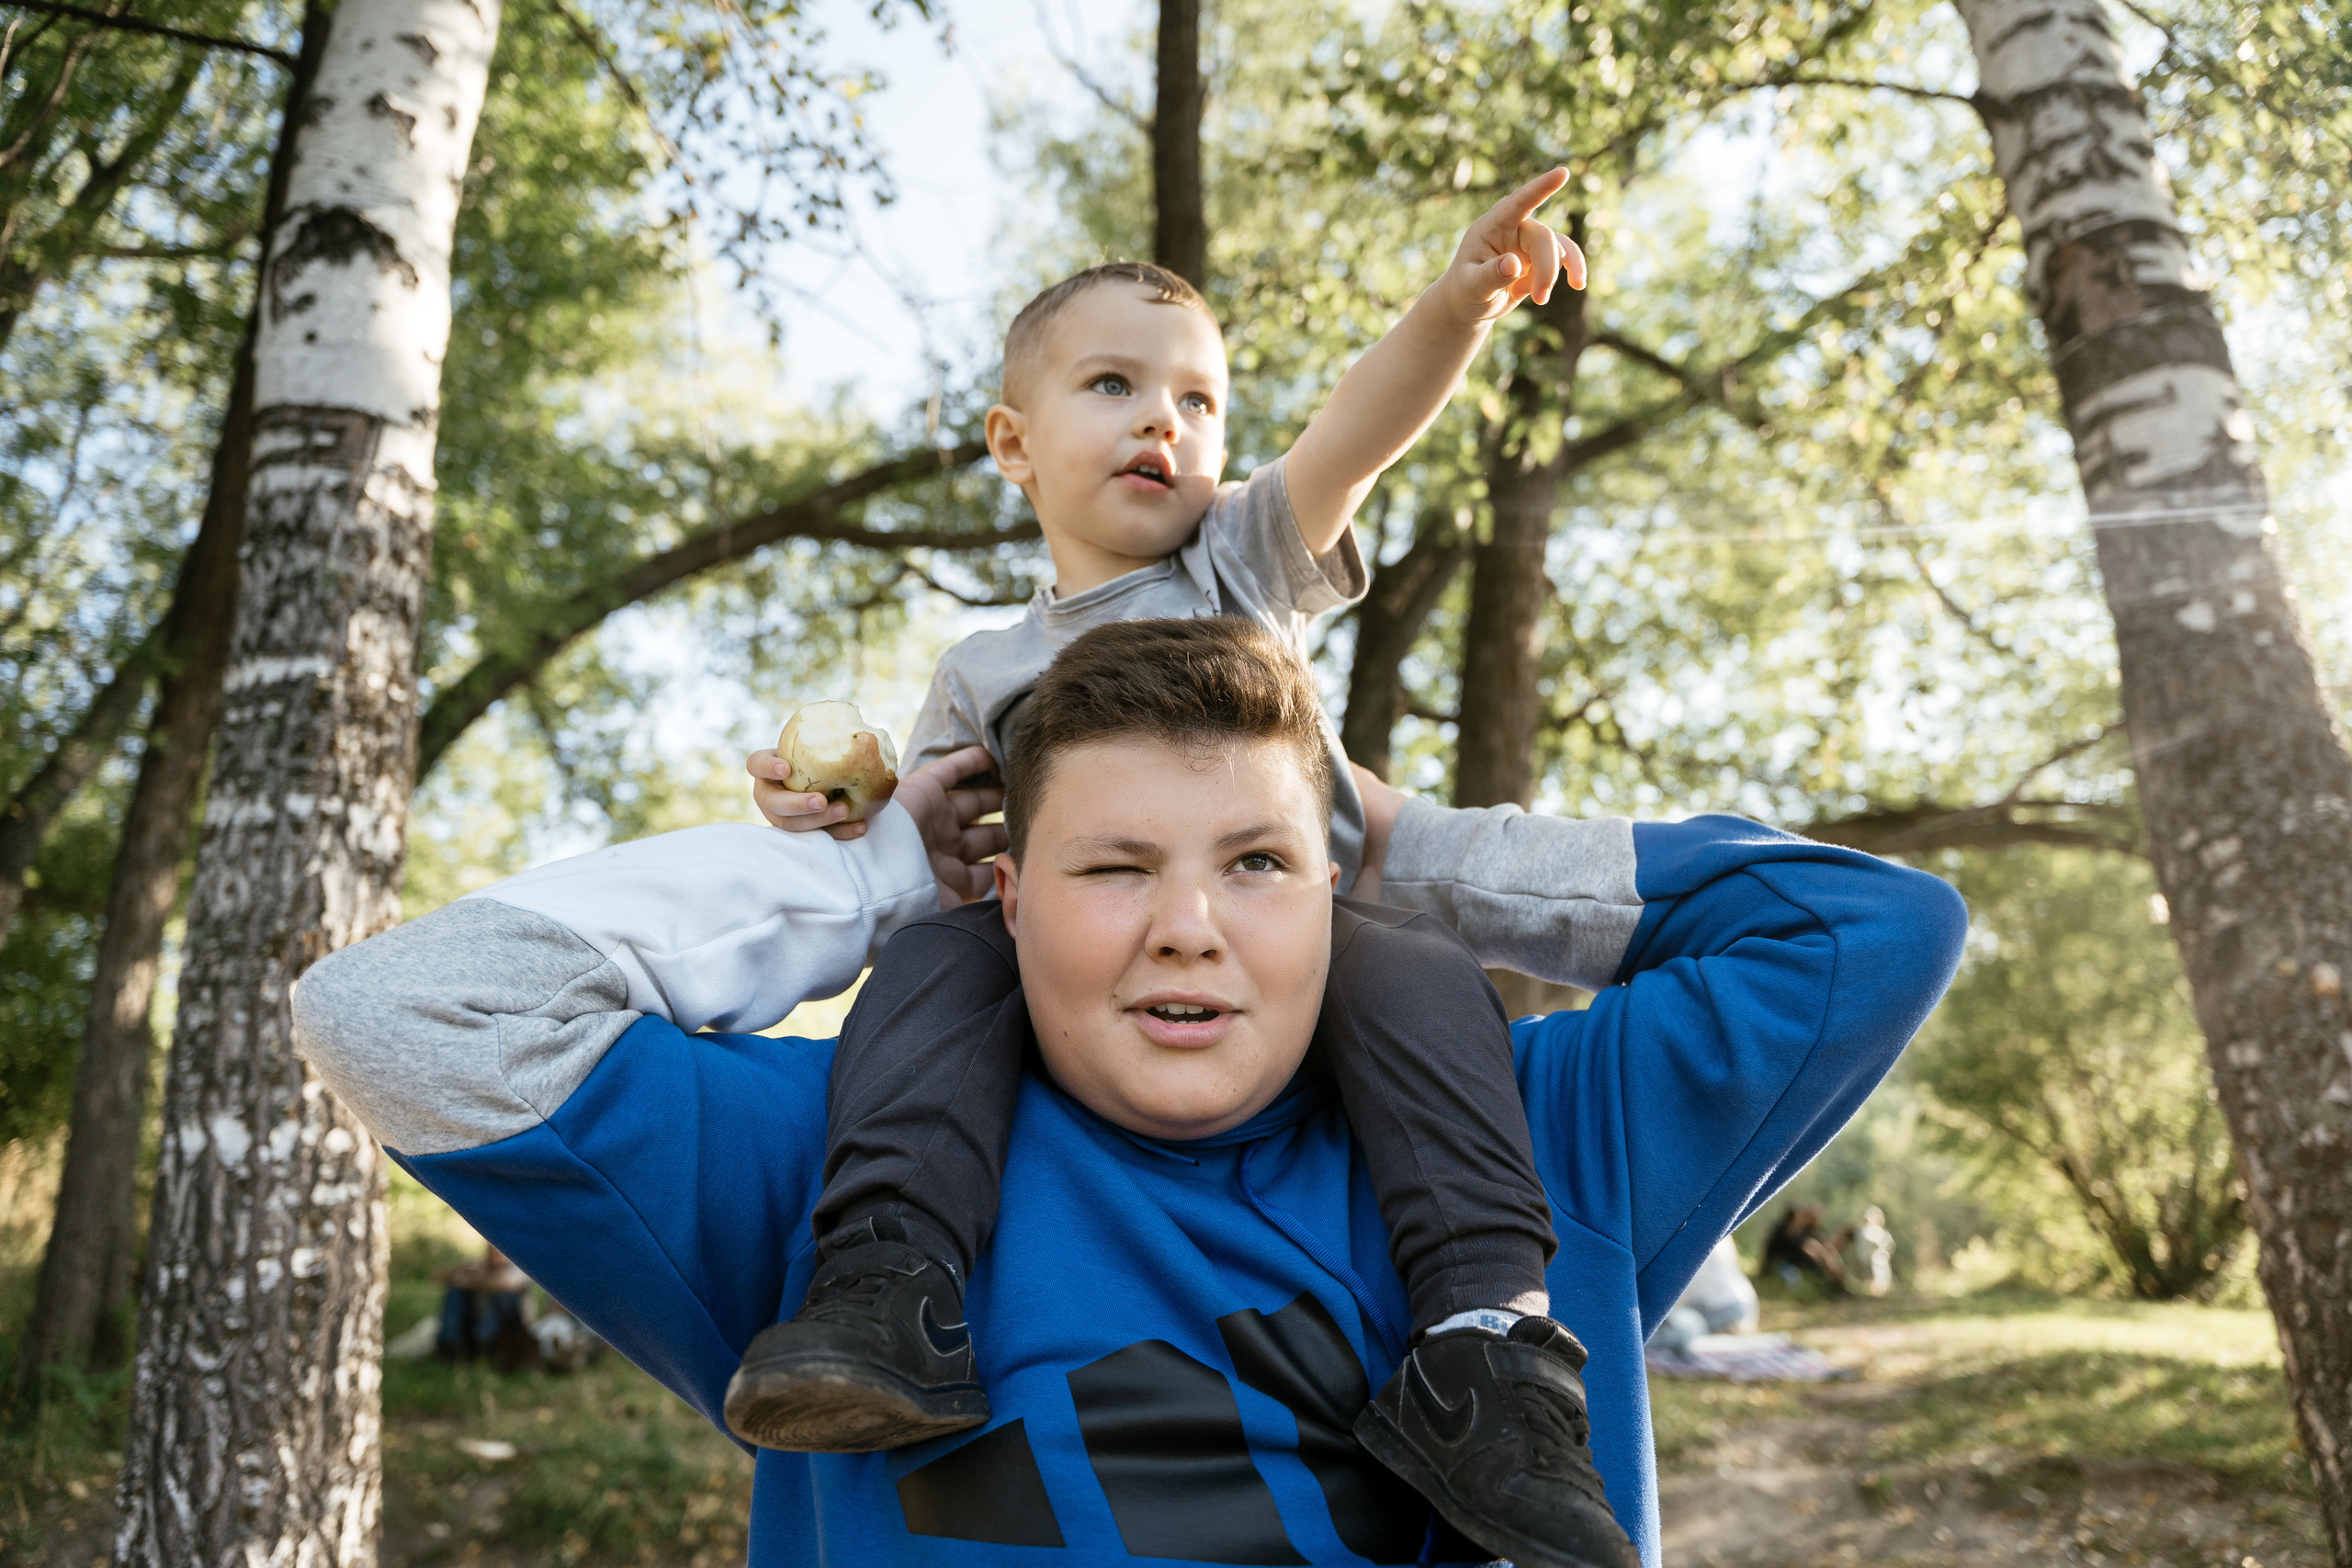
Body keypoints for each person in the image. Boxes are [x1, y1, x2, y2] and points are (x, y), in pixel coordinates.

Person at [291, 616, 1966, 1567]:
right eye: (1110, 866)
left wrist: (1423, 844)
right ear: (1010, 897)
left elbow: (1872, 927)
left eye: (1256, 863)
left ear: (1333, 891)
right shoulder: (842, 1161)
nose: (1188, 925)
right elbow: (403, 1010)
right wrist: (875, 873)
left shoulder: (1527, 1144)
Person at [734, 172, 1611, 1549]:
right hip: (1086, 966)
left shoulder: (1238, 565)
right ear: (1012, 442)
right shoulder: (984, 668)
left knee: (1425, 970)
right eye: (1113, 385)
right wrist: (835, 800)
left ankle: (1486, 1344)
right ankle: (891, 1276)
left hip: (1295, 945)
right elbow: (939, 847)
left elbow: (1352, 435)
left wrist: (1459, 305)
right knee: (933, 961)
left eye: (1199, 401)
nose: (1166, 418)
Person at [1648, 1237, 1759, 1355]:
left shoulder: (1691, 1242)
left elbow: (1677, 1294)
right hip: (1745, 1304)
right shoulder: (1720, 1231)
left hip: (1721, 1306)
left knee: (1681, 1324)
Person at [1859, 1205, 1895, 1296]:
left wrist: (1887, 1250)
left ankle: (1883, 1284)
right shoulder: (1865, 1231)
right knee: (1879, 1260)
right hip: (1869, 1256)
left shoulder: (1880, 1231)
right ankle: (1878, 1285)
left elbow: (1889, 1243)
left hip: (1880, 1255)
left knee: (1881, 1260)